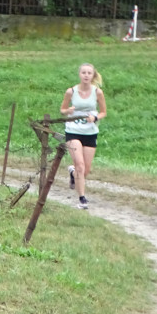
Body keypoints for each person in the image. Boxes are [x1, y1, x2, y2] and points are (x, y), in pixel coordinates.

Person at [60, 63, 107, 209]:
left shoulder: (98, 92)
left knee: (85, 170)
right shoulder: (71, 91)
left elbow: (103, 112)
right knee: (80, 165)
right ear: (79, 75)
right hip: (73, 130)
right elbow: (62, 109)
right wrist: (69, 110)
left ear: (93, 76)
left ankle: (73, 173)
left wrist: (96, 118)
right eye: (84, 73)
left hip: (90, 132)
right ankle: (82, 199)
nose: (86, 75)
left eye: (89, 73)